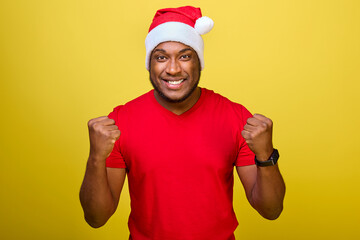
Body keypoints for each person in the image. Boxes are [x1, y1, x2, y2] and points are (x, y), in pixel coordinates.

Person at [80, 6, 285, 240]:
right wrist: (96, 158)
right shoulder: (120, 121)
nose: (173, 68)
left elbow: (271, 210)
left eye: (185, 56)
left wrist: (265, 155)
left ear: (199, 61)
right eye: (161, 57)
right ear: (150, 63)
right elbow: (96, 218)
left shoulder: (235, 117)